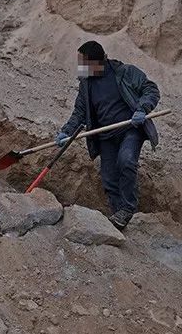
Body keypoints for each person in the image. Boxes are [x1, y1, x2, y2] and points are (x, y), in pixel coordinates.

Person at [56, 41, 160, 230]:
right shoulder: (86, 84)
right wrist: (66, 131)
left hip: (130, 129)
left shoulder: (125, 72)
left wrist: (142, 108)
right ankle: (118, 215)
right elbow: (80, 112)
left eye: (84, 63)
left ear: (98, 62)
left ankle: (128, 209)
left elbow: (150, 89)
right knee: (109, 178)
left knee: (126, 160)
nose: (81, 68)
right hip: (105, 136)